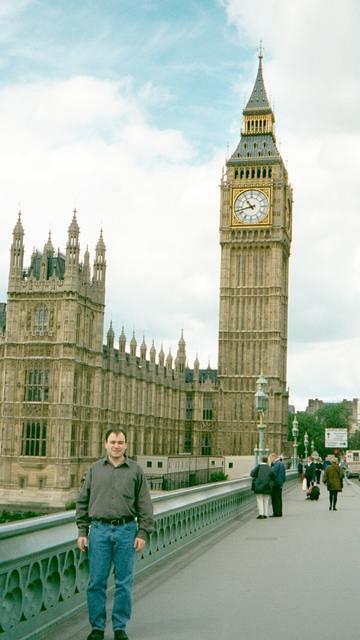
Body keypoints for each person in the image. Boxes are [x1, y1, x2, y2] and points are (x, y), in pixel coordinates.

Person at [76, 429, 154, 640]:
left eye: (120, 442)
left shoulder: (135, 471)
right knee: (96, 582)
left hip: (126, 530)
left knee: (124, 583)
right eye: (113, 442)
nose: (116, 446)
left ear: (126, 445)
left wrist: (143, 533)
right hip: (98, 530)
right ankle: (97, 628)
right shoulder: (94, 470)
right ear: (105, 444)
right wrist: (82, 531)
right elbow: (82, 502)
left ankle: (120, 627)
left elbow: (145, 505)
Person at [269, 452, 286, 517]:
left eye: (271, 458)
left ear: (274, 457)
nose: (270, 459)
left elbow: (272, 473)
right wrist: (282, 482)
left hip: (275, 484)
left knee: (275, 499)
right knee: (279, 498)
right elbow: (284, 475)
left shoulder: (276, 464)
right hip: (280, 483)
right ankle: (279, 512)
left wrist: (271, 465)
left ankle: (276, 512)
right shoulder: (281, 463)